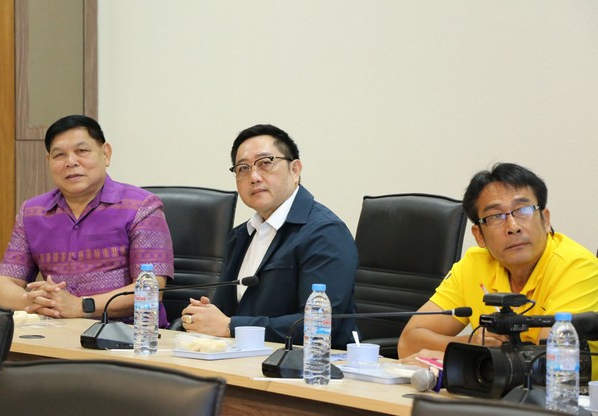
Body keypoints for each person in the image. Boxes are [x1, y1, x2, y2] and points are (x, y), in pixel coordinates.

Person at [397, 162, 598, 378]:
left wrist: (460, 357)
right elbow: (408, 342)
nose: (513, 226)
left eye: (523, 210)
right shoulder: (474, 265)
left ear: (545, 219)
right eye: (496, 216)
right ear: (479, 235)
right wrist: (470, 343)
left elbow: (549, 365)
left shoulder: (576, 266)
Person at [180, 124, 358, 348]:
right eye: (243, 168)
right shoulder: (241, 235)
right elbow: (226, 313)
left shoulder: (325, 233)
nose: (254, 177)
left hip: (310, 364)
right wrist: (204, 317)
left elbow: (320, 324)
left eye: (265, 163)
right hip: (243, 357)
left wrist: (230, 326)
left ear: (295, 170)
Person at [0, 115, 174, 327]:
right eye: (59, 155)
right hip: (56, 334)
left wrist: (80, 306)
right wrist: (33, 301)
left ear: (106, 154)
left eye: (82, 151)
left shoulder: (142, 207)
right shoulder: (32, 213)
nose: (71, 162)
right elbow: (3, 285)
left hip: (128, 337)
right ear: (49, 161)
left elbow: (151, 290)